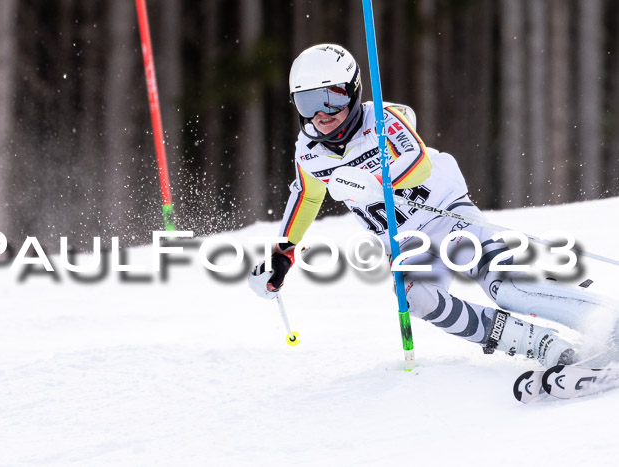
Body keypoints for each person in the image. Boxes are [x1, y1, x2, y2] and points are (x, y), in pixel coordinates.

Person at [248, 43, 617, 368]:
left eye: (332, 98)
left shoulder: (382, 120)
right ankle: (539, 345)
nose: (321, 114)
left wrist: (377, 183)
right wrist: (283, 253)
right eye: (307, 102)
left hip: (448, 217)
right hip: (407, 242)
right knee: (416, 299)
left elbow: (418, 163)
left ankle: (607, 322)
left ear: (354, 91)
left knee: (506, 289)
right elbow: (307, 196)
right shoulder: (309, 151)